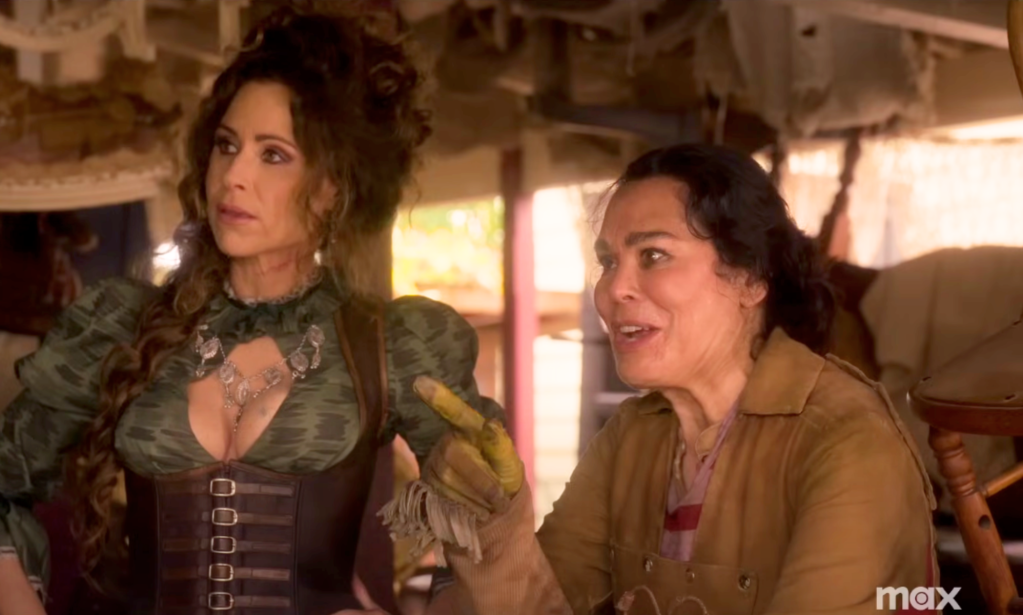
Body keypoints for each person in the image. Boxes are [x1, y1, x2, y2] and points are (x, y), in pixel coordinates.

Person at [0, 5, 503, 615]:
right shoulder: (123, 325)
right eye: (226, 145)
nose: (233, 176)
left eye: (273, 155)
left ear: (333, 187)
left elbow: (488, 539)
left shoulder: (389, 344)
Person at [390, 143, 938, 615]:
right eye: (608, 262)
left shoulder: (845, 439)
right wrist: (495, 523)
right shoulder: (636, 434)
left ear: (750, 278)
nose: (613, 290)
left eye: (653, 255)